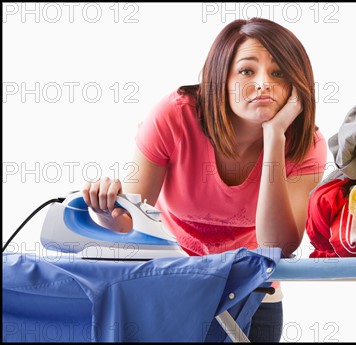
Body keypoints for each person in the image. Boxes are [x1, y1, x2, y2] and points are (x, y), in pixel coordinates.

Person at [81, 17, 327, 342]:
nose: (264, 83)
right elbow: (132, 221)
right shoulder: (175, 116)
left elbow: (276, 246)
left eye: (278, 73)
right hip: (170, 290)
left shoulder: (305, 145)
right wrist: (105, 215)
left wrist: (275, 136)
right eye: (247, 71)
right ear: (221, 78)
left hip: (251, 296)